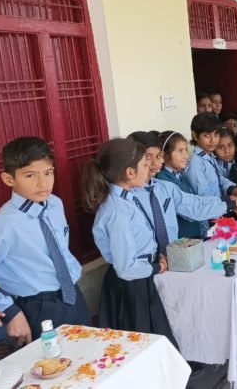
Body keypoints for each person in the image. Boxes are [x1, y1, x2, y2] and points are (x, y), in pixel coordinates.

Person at [0, 137, 91, 344]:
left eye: (48, 173)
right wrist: (10, 311)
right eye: (30, 175)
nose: (43, 183)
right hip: (38, 307)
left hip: (72, 294)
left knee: (91, 352)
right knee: (54, 362)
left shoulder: (55, 205)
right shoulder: (2, 225)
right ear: (8, 179)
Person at [83, 138, 178, 346]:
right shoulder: (117, 209)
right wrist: (158, 267)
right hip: (131, 285)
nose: (149, 168)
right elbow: (126, 267)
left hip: (142, 276)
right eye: (145, 164)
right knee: (141, 344)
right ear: (130, 172)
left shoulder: (126, 198)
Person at [127, 131, 237, 247]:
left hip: (175, 250)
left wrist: (230, 203)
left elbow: (195, 205)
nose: (155, 162)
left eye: (158, 156)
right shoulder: (127, 196)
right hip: (157, 255)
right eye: (148, 157)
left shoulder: (165, 187)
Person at [183, 113, 237, 232]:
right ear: (195, 136)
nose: (213, 140)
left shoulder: (209, 156)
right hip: (208, 220)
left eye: (216, 134)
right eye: (207, 135)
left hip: (219, 213)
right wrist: (230, 201)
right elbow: (204, 197)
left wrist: (233, 189)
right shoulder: (196, 164)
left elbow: (219, 179)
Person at [155, 131, 205, 239]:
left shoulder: (179, 175)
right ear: (164, 155)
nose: (186, 156)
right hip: (182, 240)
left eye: (186, 150)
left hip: (193, 236)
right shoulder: (163, 180)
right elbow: (189, 211)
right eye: (180, 151)